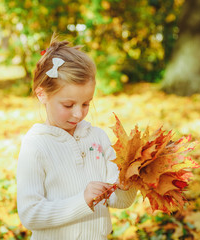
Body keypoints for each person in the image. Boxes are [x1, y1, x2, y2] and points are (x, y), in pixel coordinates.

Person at [17, 34, 137, 240]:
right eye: (68, 105)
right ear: (42, 94)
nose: (78, 114)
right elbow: (30, 214)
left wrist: (126, 184)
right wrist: (82, 201)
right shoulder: (36, 145)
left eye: (86, 104)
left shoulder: (98, 138)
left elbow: (119, 201)